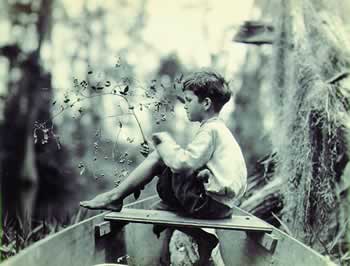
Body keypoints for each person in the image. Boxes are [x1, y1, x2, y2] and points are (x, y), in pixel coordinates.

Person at [80, 70, 247, 265]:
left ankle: (114, 197)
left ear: (206, 103)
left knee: (161, 157)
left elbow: (182, 165)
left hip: (208, 205)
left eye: (188, 100)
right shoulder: (220, 130)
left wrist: (164, 143)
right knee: (161, 162)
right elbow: (199, 166)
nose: (184, 105)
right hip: (222, 207)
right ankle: (196, 233)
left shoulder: (209, 131)